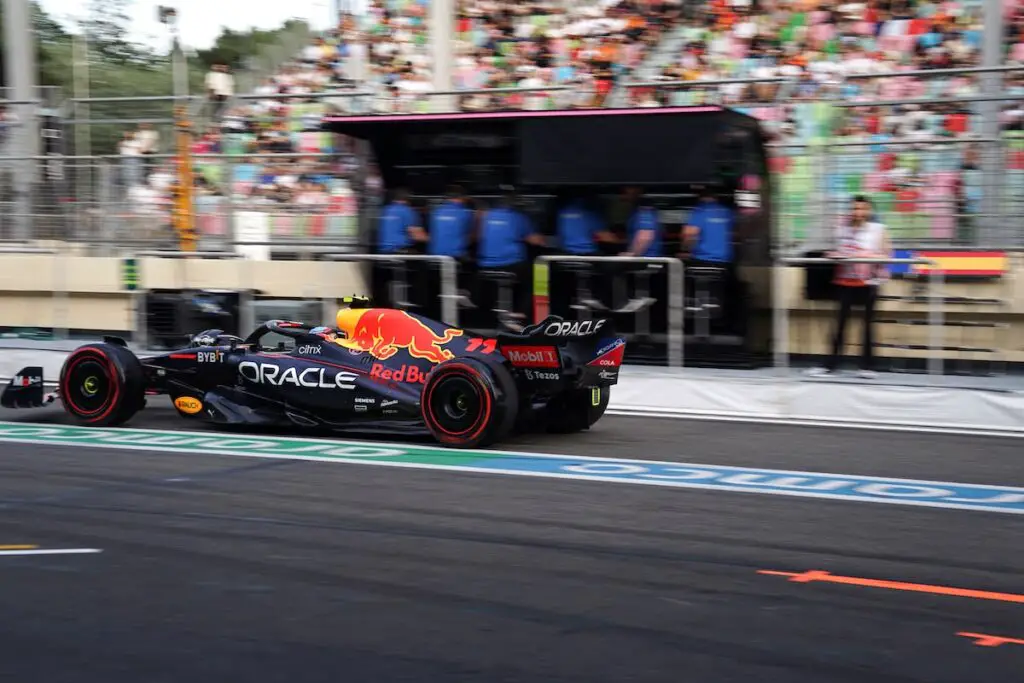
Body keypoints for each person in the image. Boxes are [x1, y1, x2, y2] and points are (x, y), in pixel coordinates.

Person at [809, 195, 891, 379]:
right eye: (855, 209)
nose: (859, 213)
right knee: (839, 324)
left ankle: (867, 366)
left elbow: (887, 255)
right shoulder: (842, 230)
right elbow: (839, 251)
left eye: (863, 209)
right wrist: (833, 255)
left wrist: (867, 255)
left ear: (869, 211)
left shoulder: (879, 230)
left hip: (869, 282)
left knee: (867, 325)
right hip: (845, 281)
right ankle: (830, 365)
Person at [477, 188, 545, 319]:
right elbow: (537, 241)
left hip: (485, 266)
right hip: (510, 265)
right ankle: (522, 312)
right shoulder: (519, 217)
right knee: (538, 276)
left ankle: (493, 313)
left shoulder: (486, 216)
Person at [377, 188, 425, 254]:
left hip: (383, 251)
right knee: (419, 256)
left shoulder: (385, 210)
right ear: (408, 200)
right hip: (399, 251)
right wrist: (433, 239)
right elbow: (417, 236)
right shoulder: (407, 211)